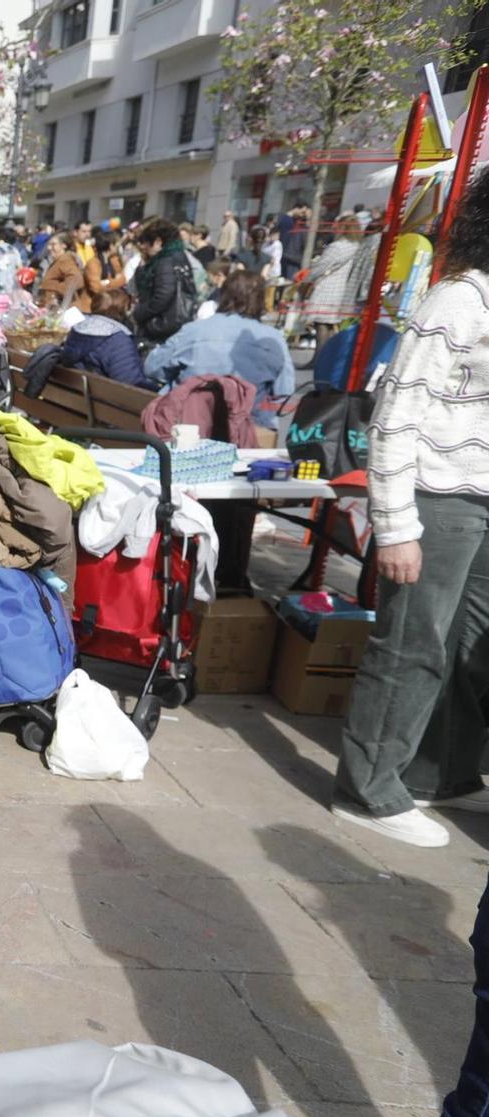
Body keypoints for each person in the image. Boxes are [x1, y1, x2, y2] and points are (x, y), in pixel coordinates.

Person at [327, 168, 489, 854]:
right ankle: (368, 787)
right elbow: (394, 415)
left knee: (468, 650)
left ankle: (438, 770)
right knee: (414, 646)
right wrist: (395, 523)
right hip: (437, 497)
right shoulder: (457, 301)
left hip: (480, 500)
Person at [143, 270, 294, 427]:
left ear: (223, 295)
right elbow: (284, 392)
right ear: (261, 300)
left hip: (189, 425)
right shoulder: (273, 339)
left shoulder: (194, 330)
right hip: (248, 430)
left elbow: (153, 368)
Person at [59, 288, 157, 390]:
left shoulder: (77, 330)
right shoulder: (118, 340)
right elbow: (131, 385)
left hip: (72, 395)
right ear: (123, 309)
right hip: (101, 401)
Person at [130, 217, 196, 346]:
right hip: (176, 325)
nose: (142, 247)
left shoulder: (165, 262)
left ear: (158, 242)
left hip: (161, 327)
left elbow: (163, 296)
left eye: (145, 242)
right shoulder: (181, 257)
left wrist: (138, 313)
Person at [303, 215, 368, 330]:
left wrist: (305, 279)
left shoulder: (337, 247)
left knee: (321, 323)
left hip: (327, 287)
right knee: (330, 325)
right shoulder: (356, 246)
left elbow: (320, 267)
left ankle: (322, 349)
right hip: (341, 288)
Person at [39, 232, 85, 312]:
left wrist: (52, 287)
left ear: (64, 245)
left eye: (53, 244)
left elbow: (77, 281)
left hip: (63, 310)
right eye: (49, 245)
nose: (49, 248)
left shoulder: (65, 260)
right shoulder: (59, 261)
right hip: (56, 310)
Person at [82, 230, 128, 311]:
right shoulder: (93, 263)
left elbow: (123, 279)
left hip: (109, 305)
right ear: (111, 245)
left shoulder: (113, 261)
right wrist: (113, 282)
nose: (119, 246)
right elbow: (96, 288)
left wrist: (107, 282)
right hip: (93, 307)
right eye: (117, 244)